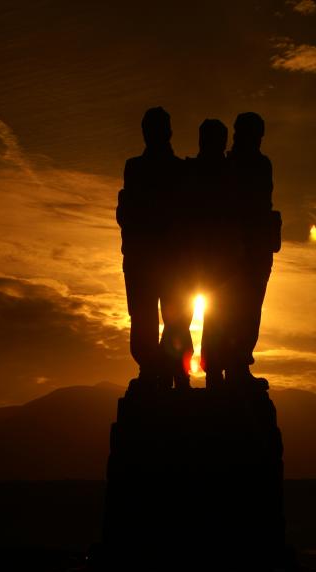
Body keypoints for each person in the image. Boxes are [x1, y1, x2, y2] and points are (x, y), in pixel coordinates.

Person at [116, 107, 192, 390]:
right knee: (144, 316)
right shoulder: (135, 167)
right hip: (144, 259)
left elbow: (188, 215)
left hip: (172, 261)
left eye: (159, 129)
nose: (156, 135)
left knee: (178, 317)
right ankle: (151, 368)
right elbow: (127, 212)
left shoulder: (181, 169)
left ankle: (176, 369)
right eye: (152, 129)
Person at [225, 112, 282, 387]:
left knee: (250, 309)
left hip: (258, 248)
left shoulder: (262, 164)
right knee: (233, 309)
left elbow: (264, 204)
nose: (257, 139)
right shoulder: (231, 165)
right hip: (235, 250)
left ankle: (239, 364)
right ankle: (230, 366)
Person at [185, 119, 234, 389]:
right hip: (189, 257)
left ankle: (214, 369)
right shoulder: (189, 170)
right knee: (179, 319)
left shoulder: (230, 172)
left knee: (221, 317)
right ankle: (178, 373)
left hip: (219, 258)